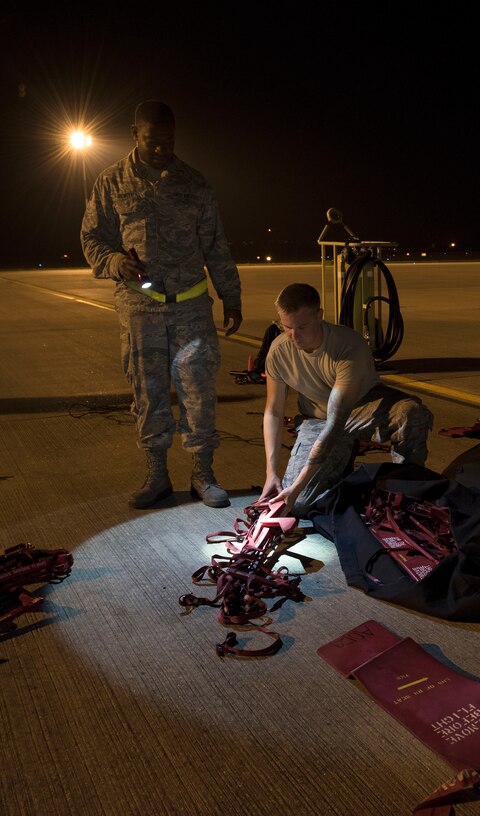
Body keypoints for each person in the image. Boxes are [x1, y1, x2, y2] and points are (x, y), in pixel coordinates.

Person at [81, 100, 242, 509]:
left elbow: (215, 244)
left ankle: (203, 474)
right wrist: (115, 261)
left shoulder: (195, 184)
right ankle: (157, 475)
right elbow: (91, 238)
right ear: (135, 135)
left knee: (199, 393)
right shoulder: (111, 181)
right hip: (139, 308)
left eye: (168, 141)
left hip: (191, 307)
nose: (160, 149)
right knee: (148, 393)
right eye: (152, 141)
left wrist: (231, 295)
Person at [260, 283, 433, 517]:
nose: (294, 336)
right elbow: (273, 412)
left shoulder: (348, 345)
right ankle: (340, 469)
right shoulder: (279, 350)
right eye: (286, 327)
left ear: (320, 316)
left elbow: (336, 422)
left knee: (411, 413)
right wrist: (271, 472)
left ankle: (408, 491)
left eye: (301, 326)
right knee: (299, 504)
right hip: (317, 418)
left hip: (361, 407)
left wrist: (297, 486)